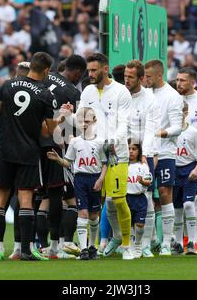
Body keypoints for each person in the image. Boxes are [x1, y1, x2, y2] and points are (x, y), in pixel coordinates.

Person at [0, 52, 58, 262]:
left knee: (0, 197)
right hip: (28, 152)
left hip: (5, 150)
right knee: (25, 198)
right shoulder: (45, 94)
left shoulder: (7, 85)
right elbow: (48, 131)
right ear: (45, 71)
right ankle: (25, 250)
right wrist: (60, 118)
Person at [60, 53, 133, 260]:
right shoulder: (88, 91)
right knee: (97, 205)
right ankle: (100, 243)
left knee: (117, 201)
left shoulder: (121, 92)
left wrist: (112, 142)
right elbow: (82, 120)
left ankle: (127, 245)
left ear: (105, 68)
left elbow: (124, 124)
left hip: (116, 153)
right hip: (92, 156)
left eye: (93, 70)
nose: (89, 74)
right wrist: (68, 116)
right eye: (88, 71)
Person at [36, 54, 87, 259]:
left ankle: (38, 244)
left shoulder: (46, 77)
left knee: (44, 196)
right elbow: (74, 125)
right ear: (76, 72)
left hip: (36, 142)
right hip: (57, 145)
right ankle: (59, 246)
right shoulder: (73, 92)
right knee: (65, 196)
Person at [47, 107, 107, 260]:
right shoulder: (74, 142)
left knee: (94, 215)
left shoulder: (100, 142)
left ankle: (92, 246)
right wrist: (58, 160)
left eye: (87, 121)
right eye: (80, 121)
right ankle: (84, 249)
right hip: (80, 179)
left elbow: (106, 163)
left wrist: (101, 179)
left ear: (94, 121)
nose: (84, 124)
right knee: (83, 213)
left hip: (95, 178)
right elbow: (68, 162)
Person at [144, 59, 183, 256]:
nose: (146, 80)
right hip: (147, 152)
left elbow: (178, 126)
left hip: (166, 151)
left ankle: (167, 241)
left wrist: (160, 133)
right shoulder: (144, 94)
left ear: (160, 75)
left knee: (165, 194)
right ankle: (150, 240)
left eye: (149, 76)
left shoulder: (172, 96)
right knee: (147, 195)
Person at [123, 60, 160, 258]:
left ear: (141, 78)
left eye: (130, 77)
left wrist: (145, 155)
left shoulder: (150, 100)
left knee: (145, 199)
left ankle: (144, 244)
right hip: (122, 155)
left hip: (144, 154)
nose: (126, 80)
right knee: (115, 199)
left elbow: (151, 129)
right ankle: (118, 241)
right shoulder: (120, 95)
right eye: (125, 76)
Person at [176, 67, 197, 251]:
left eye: (182, 80)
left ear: (192, 82)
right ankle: (181, 241)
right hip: (178, 158)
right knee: (178, 204)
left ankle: (196, 241)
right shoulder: (174, 100)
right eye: (177, 80)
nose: (179, 83)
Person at [173, 100, 197, 255]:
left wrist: (196, 170)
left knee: (188, 204)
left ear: (186, 113)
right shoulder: (169, 131)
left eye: (180, 111)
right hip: (174, 170)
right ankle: (178, 243)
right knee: (177, 208)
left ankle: (192, 242)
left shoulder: (193, 131)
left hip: (189, 170)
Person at [126, 140, 152, 258]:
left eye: (134, 149)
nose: (131, 151)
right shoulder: (123, 165)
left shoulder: (143, 165)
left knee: (140, 224)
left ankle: (138, 244)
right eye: (129, 148)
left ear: (139, 151)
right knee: (129, 224)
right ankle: (130, 246)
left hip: (140, 198)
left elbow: (149, 182)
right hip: (126, 198)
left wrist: (142, 181)